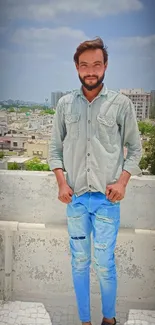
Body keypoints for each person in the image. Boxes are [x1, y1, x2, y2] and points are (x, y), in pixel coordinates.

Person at [49, 37, 142, 325]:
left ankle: (109, 319)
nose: (91, 71)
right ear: (76, 67)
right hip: (75, 200)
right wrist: (61, 183)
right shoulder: (64, 105)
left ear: (105, 66)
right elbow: (54, 149)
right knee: (79, 263)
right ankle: (84, 321)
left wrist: (123, 182)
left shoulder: (121, 104)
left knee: (104, 265)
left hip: (106, 200)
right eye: (85, 65)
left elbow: (135, 149)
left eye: (97, 65)